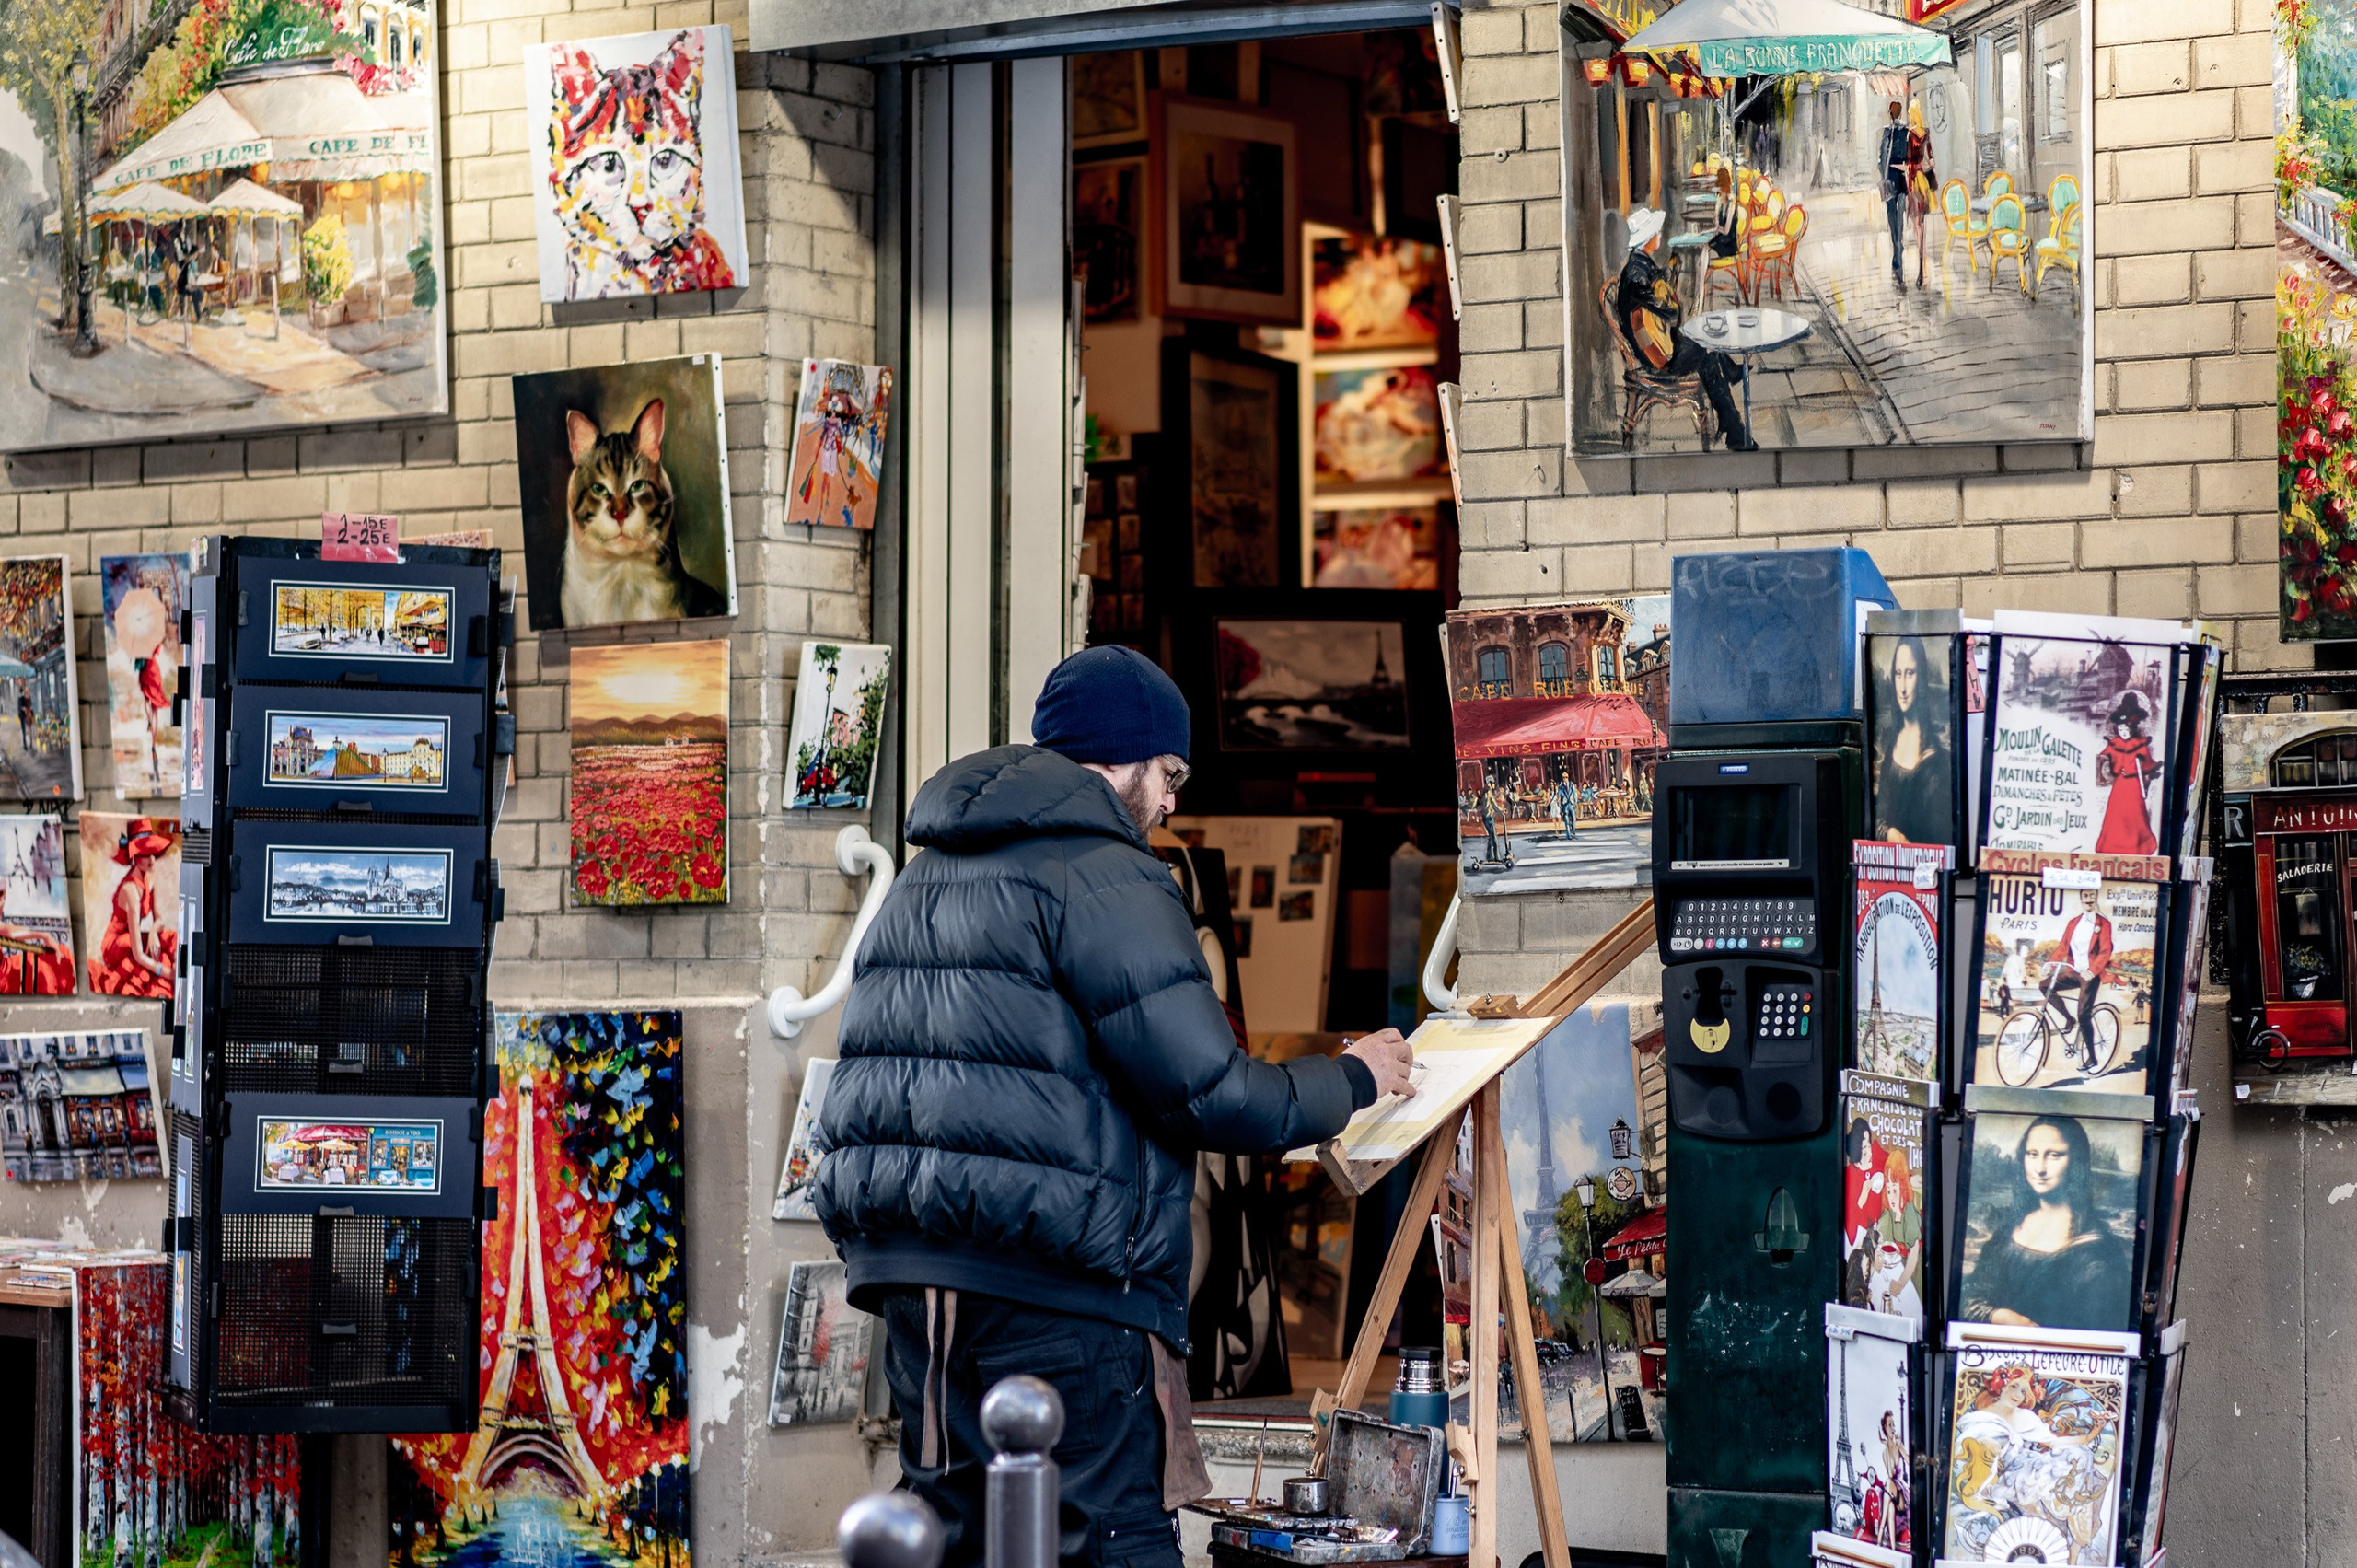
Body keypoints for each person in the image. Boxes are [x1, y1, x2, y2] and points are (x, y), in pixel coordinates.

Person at [813, 645, 1415, 1568]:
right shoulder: (1106, 871)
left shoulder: (926, 875)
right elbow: (1213, 1093)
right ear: (1122, 757)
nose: (1171, 802)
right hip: (1059, 1290)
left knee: (958, 1539)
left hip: (916, 1291)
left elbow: (859, 1096)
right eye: (1168, 775)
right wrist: (1356, 1076)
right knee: (1108, 1539)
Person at [1959, 1115, 2133, 1329]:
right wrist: (2000, 1316)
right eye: (2032, 1154)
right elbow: (1971, 1298)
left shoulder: (2097, 1254)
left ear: (2076, 1161)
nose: (2039, 1168)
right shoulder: (2009, 1232)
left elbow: (2103, 1334)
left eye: (2054, 1155)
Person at [1614, 207, 1755, 451]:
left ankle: (1730, 387)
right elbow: (1671, 313)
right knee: (1706, 354)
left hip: (1657, 343)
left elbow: (1659, 299)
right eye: (1656, 233)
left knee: (1702, 336)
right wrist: (1670, 292)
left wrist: (1669, 278)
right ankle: (1734, 429)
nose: (1659, 236)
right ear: (1649, 240)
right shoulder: (1637, 275)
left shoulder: (1639, 265)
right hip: (1653, 355)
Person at [88, 818, 178, 998]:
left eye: (153, 852)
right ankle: (160, 982)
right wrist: (165, 972)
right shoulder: (130, 891)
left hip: (133, 938)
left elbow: (159, 919)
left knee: (168, 937)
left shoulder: (150, 879)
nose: (151, 859)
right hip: (116, 944)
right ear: (135, 856)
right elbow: (137, 953)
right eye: (145, 853)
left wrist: (153, 931)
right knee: (145, 949)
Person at [1875, 635, 1949, 842]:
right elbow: (1879, 818)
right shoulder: (1891, 743)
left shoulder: (1937, 760)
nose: (1903, 687)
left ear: (1922, 677)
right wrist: (1890, 834)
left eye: (1910, 673)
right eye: (1898, 674)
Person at [2044, 889, 2114, 1071]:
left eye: (2092, 896)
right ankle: (2068, 1019)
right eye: (2086, 896)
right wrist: (2050, 963)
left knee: (2083, 1014)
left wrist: (2093, 970)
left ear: (2096, 898)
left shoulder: (2103, 924)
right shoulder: (2073, 923)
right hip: (2074, 971)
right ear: (2081, 899)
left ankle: (2092, 1058)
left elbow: (2106, 950)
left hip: (2090, 975)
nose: (2089, 900)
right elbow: (2063, 947)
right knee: (2045, 986)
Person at [2093, 692, 2159, 855]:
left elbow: (2148, 763)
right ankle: (2112, 846)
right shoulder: (2114, 744)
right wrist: (2106, 770)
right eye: (2120, 728)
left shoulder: (2140, 745)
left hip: (2134, 785)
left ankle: (2138, 847)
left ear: (2133, 727)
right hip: (2120, 783)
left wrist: (2151, 771)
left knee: (2135, 816)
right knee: (2116, 816)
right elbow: (2102, 759)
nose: (2123, 731)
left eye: (2127, 728)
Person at [1904, 101, 1938, 288]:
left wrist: (1911, 173)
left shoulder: (1911, 135)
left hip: (1914, 181)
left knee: (1917, 224)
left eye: (1911, 113)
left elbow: (1908, 160)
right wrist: (1926, 166)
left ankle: (1920, 266)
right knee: (1922, 224)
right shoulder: (1926, 133)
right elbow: (1931, 160)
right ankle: (1922, 266)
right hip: (1924, 182)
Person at [1876, 100, 1910, 287]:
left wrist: (1883, 174)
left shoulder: (1888, 132)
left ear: (1890, 113)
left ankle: (1897, 249)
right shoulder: (1905, 132)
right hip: (1902, 181)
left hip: (1890, 180)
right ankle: (1898, 250)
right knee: (1899, 219)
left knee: (1892, 217)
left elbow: (1881, 158)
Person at [1709, 166, 1742, 262]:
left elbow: (1726, 231)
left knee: (1706, 246)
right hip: (1722, 238)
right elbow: (1716, 223)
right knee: (1704, 246)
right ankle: (1702, 277)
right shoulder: (1720, 201)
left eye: (1719, 186)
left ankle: (1702, 277)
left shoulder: (1731, 202)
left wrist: (1714, 228)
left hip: (1729, 243)